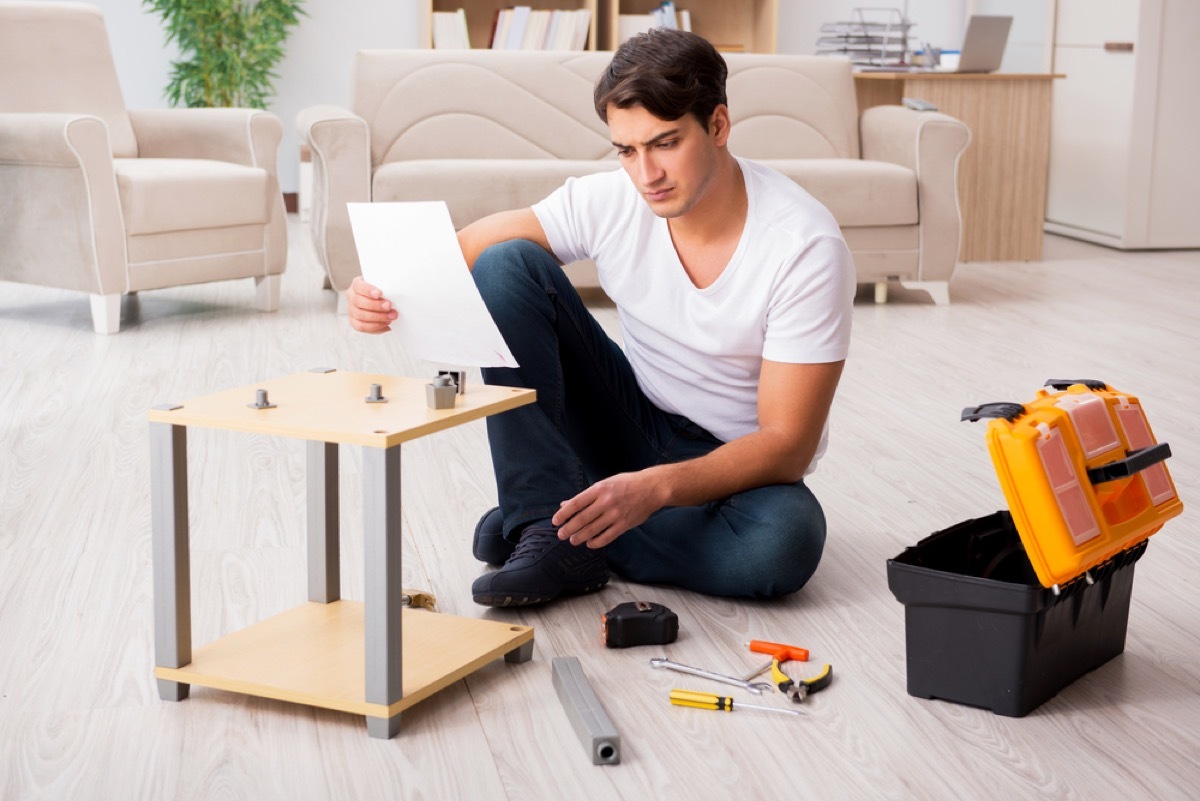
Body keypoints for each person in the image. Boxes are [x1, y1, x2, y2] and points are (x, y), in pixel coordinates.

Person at [347, 29, 855, 608]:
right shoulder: (616, 198)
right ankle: (550, 521)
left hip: (733, 472)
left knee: (781, 545)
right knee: (508, 262)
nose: (646, 174)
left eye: (665, 143)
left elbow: (787, 444)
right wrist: (380, 292)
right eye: (626, 150)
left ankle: (553, 518)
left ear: (717, 126)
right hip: (630, 420)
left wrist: (657, 488)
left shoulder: (803, 245)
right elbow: (466, 251)